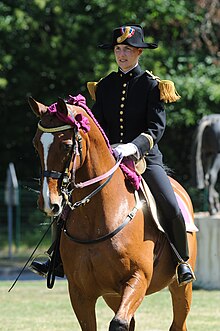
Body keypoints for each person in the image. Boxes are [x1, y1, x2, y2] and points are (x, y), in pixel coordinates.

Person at [88, 24, 195, 286]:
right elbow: (97, 126)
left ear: (139, 52)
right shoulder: (104, 87)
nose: (121, 54)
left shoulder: (151, 85)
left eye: (127, 49)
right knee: (68, 202)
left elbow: (156, 128)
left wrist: (133, 147)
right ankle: (55, 259)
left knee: (170, 205)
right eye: (118, 49)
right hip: (109, 160)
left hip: (144, 159)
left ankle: (181, 261)